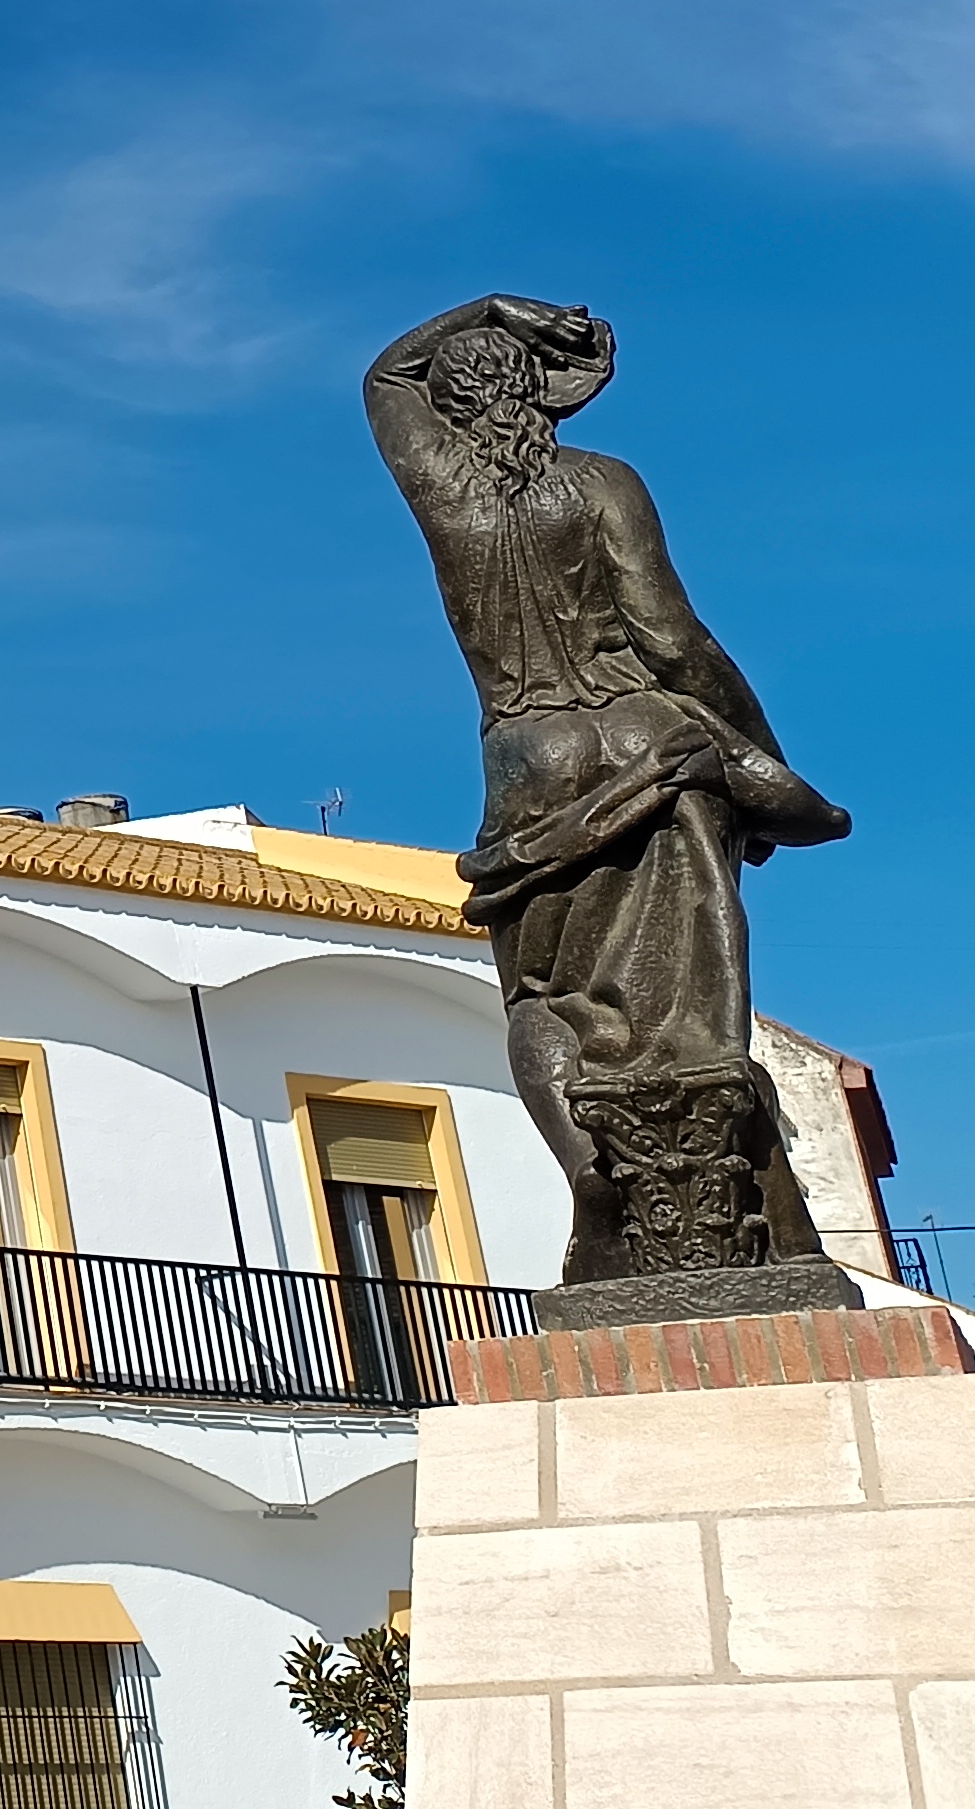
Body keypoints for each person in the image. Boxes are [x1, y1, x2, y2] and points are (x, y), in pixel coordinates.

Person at [365, 296, 853, 1288]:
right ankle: (730, 1205)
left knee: (543, 999)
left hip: (529, 754)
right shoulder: (602, 483)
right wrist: (755, 759)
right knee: (687, 1009)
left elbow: (384, 377)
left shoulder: (444, 489)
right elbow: (672, 637)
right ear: (540, 391)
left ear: (449, 407)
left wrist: (490, 308)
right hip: (648, 739)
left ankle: (596, 1169)